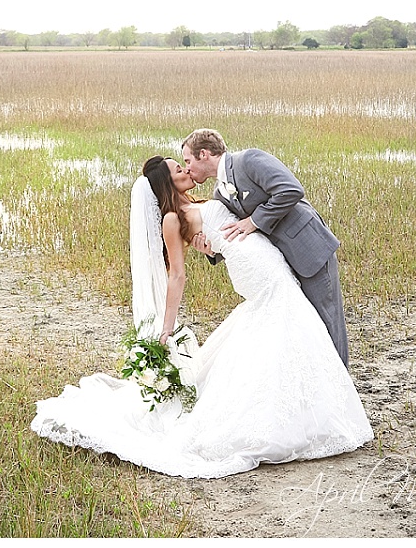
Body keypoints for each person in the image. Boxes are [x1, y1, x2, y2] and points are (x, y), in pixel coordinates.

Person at [30, 156, 372, 479]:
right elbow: (177, 275)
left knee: (283, 322)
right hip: (253, 266)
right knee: (282, 313)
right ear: (167, 182)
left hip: (262, 257)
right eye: (177, 168)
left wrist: (210, 241)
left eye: (183, 164)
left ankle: (305, 403)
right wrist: (167, 325)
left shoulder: (198, 200)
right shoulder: (172, 219)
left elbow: (221, 228)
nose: (184, 169)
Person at [182, 129, 350, 368]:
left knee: (327, 321)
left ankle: (341, 390)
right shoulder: (219, 193)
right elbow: (233, 231)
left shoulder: (248, 160)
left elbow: (290, 190)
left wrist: (253, 221)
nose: (186, 168)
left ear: (204, 154)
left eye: (188, 161)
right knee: (307, 327)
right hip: (281, 264)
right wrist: (211, 251)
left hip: (308, 248)